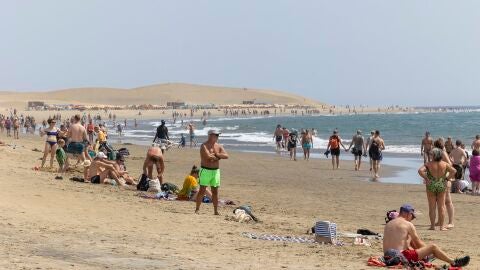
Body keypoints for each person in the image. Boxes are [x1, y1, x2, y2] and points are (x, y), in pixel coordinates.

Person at [383, 204, 470, 267]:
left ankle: (428, 256)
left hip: (387, 256)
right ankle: (454, 262)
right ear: (407, 214)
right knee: (433, 247)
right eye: (412, 216)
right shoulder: (407, 224)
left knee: (409, 239)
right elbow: (418, 243)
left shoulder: (389, 223)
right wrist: (429, 252)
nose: (412, 219)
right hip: (400, 256)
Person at [418, 148, 456, 230]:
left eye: (431, 154)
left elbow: (420, 170)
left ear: (435, 155)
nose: (430, 155)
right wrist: (447, 179)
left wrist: (427, 178)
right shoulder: (445, 164)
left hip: (431, 185)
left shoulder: (429, 164)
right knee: (441, 206)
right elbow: (454, 171)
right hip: (441, 185)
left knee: (432, 207)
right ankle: (442, 227)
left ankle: (432, 226)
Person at [195, 129, 228, 215]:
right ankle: (197, 209)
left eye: (218, 135)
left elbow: (226, 155)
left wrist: (217, 155)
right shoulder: (204, 145)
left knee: (215, 192)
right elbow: (208, 157)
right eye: (216, 135)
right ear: (210, 135)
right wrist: (218, 156)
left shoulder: (218, 146)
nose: (218, 137)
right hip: (205, 170)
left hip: (216, 171)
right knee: (202, 190)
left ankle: (216, 211)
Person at [433, 138, 454, 229]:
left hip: (445, 179)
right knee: (440, 201)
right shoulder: (437, 153)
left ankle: (451, 222)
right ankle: (439, 221)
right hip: (439, 180)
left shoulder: (443, 153)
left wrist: (446, 176)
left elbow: (450, 164)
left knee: (448, 201)